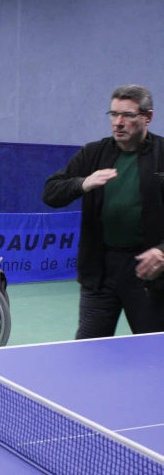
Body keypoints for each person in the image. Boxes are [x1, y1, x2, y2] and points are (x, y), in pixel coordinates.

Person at [43, 84, 164, 339]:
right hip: (99, 270)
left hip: (149, 274)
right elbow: (51, 193)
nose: (118, 122)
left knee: (154, 350)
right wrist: (83, 183)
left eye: (128, 115)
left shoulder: (162, 156)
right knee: (89, 349)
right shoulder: (93, 153)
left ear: (148, 117)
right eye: (113, 114)